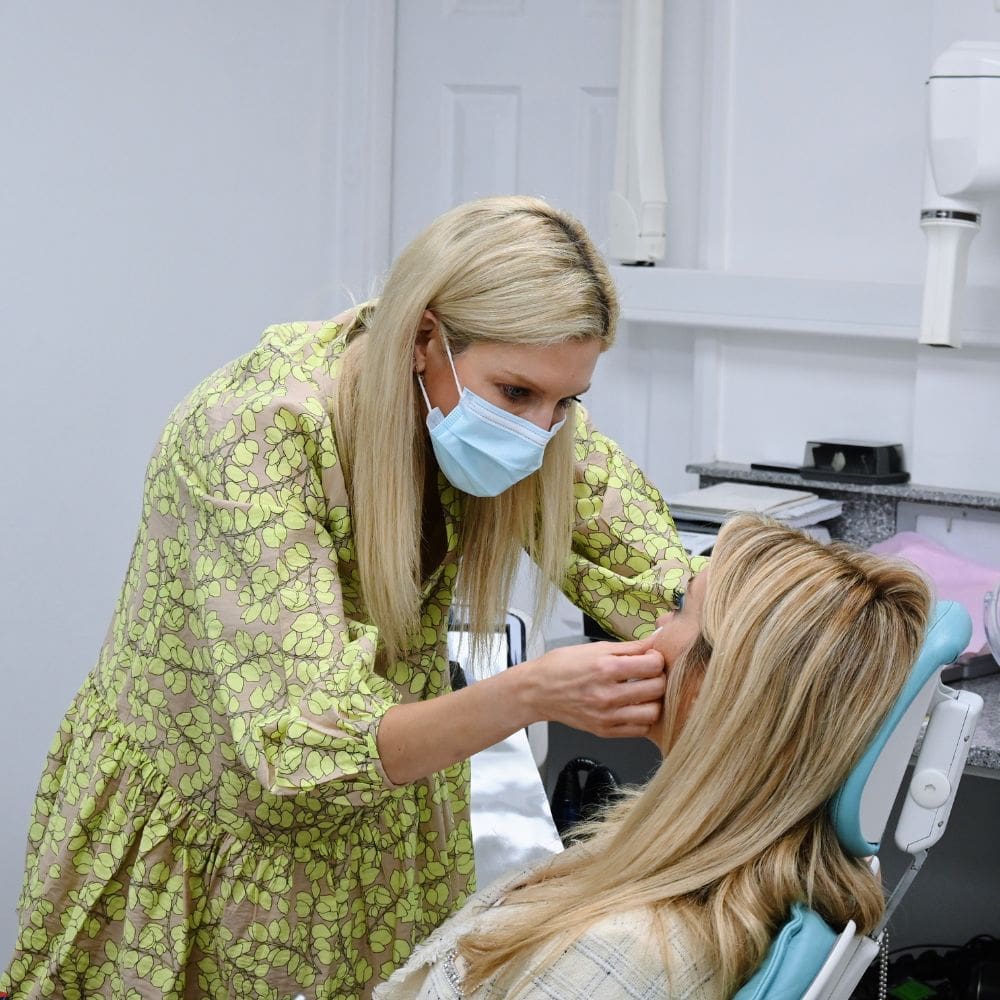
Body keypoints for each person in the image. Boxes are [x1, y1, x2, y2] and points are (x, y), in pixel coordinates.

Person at [1, 196, 706, 999]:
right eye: (516, 394)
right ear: (423, 338)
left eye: (566, 402)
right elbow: (302, 745)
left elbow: (666, 578)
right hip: (213, 833)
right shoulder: (251, 434)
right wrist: (530, 694)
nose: (541, 431)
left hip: (384, 833)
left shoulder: (517, 420)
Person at [375, 514, 933, 1000]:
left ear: (727, 691)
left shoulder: (615, 959)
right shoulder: (722, 865)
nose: (656, 628)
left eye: (681, 613)